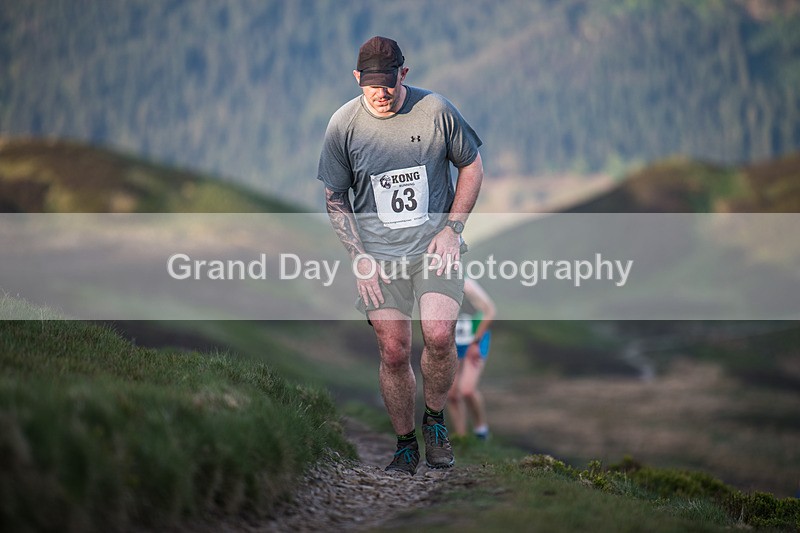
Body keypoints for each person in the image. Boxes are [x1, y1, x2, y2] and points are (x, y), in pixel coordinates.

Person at [317, 36, 484, 475]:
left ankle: (434, 421)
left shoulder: (437, 111)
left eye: (388, 83)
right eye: (371, 85)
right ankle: (405, 443)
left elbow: (472, 165)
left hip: (435, 249)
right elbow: (336, 198)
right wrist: (359, 259)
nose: (381, 92)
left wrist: (452, 230)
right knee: (393, 351)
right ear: (357, 79)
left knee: (440, 335)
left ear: (403, 75)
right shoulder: (343, 126)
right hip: (378, 257)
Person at [448, 277, 496, 440]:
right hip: (453, 342)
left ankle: (481, 430)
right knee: (452, 394)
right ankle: (461, 439)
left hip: (474, 340)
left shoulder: (466, 284)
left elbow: (490, 310)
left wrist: (475, 342)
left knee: (467, 390)